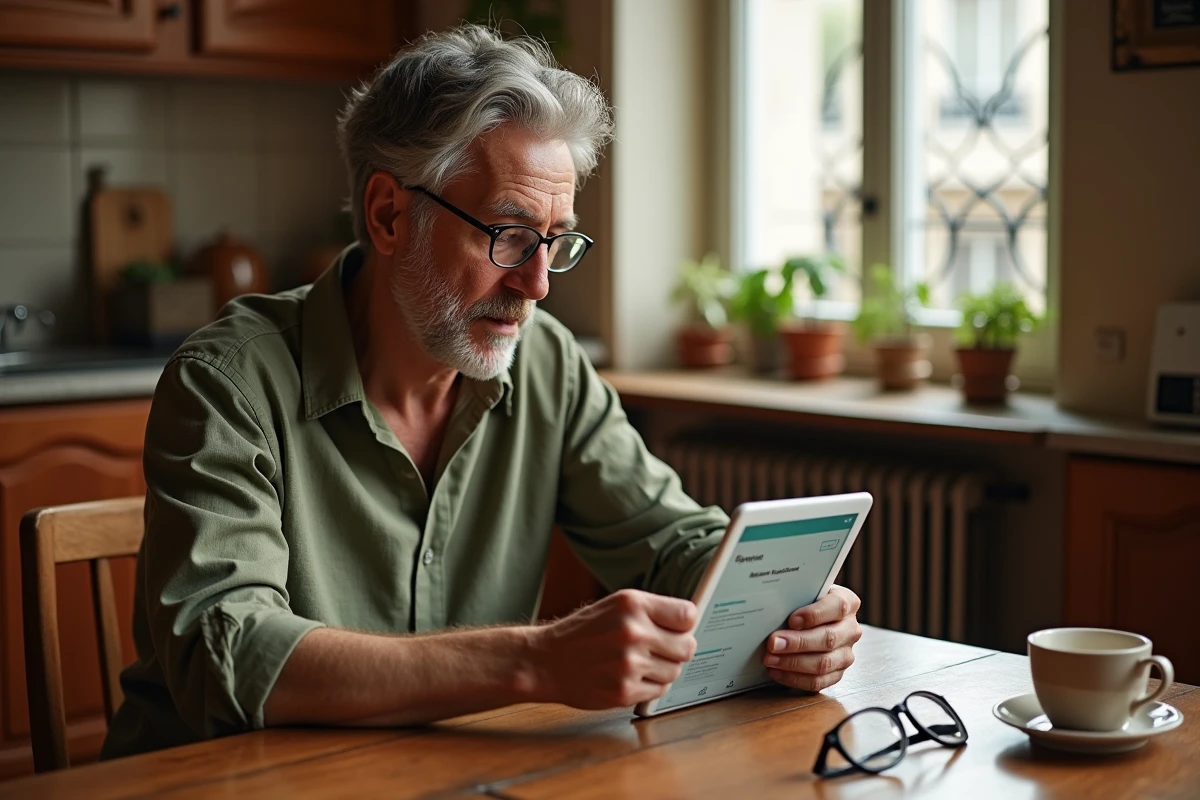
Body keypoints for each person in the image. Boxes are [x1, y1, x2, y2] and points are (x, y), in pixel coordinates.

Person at [101, 23, 862, 759]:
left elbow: (669, 540)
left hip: (446, 774)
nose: (536, 284)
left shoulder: (547, 365)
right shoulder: (229, 380)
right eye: (507, 232)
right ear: (389, 214)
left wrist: (789, 606)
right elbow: (225, 648)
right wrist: (530, 662)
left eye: (556, 240)